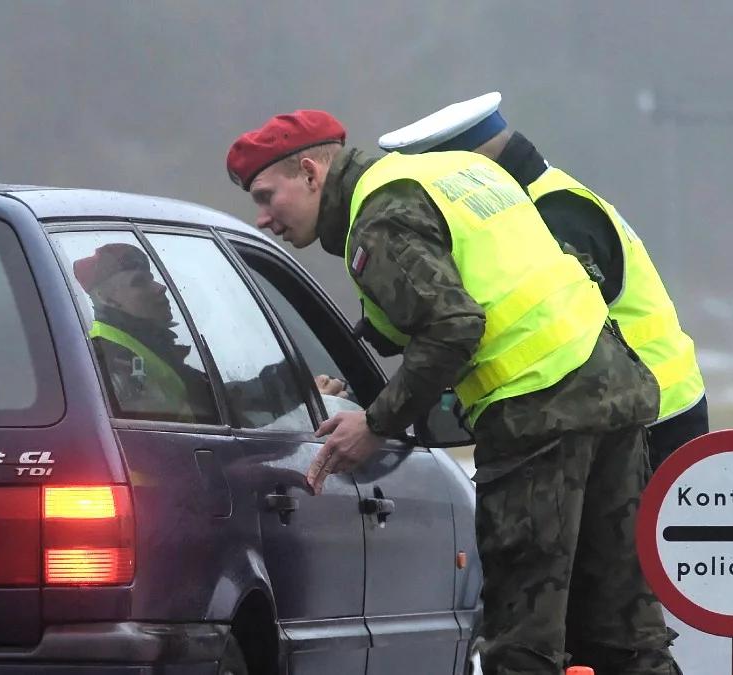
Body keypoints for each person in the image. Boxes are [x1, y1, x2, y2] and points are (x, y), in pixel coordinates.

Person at [226, 110, 682, 675]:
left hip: (537, 416)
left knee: (523, 641)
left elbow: (452, 327)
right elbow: (457, 297)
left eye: (268, 196)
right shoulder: (455, 172)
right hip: (612, 394)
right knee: (625, 631)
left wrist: (375, 424)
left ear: (311, 171)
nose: (265, 217)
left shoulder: (380, 221)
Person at [379, 92, 709, 471]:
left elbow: (546, 332)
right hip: (636, 410)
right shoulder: (541, 198)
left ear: (465, 170)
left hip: (651, 420)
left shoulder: (553, 214)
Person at [72, 243, 218, 423]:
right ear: (107, 298)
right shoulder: (110, 356)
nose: (160, 287)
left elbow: (200, 389)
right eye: (139, 282)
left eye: (151, 278)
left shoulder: (146, 341)